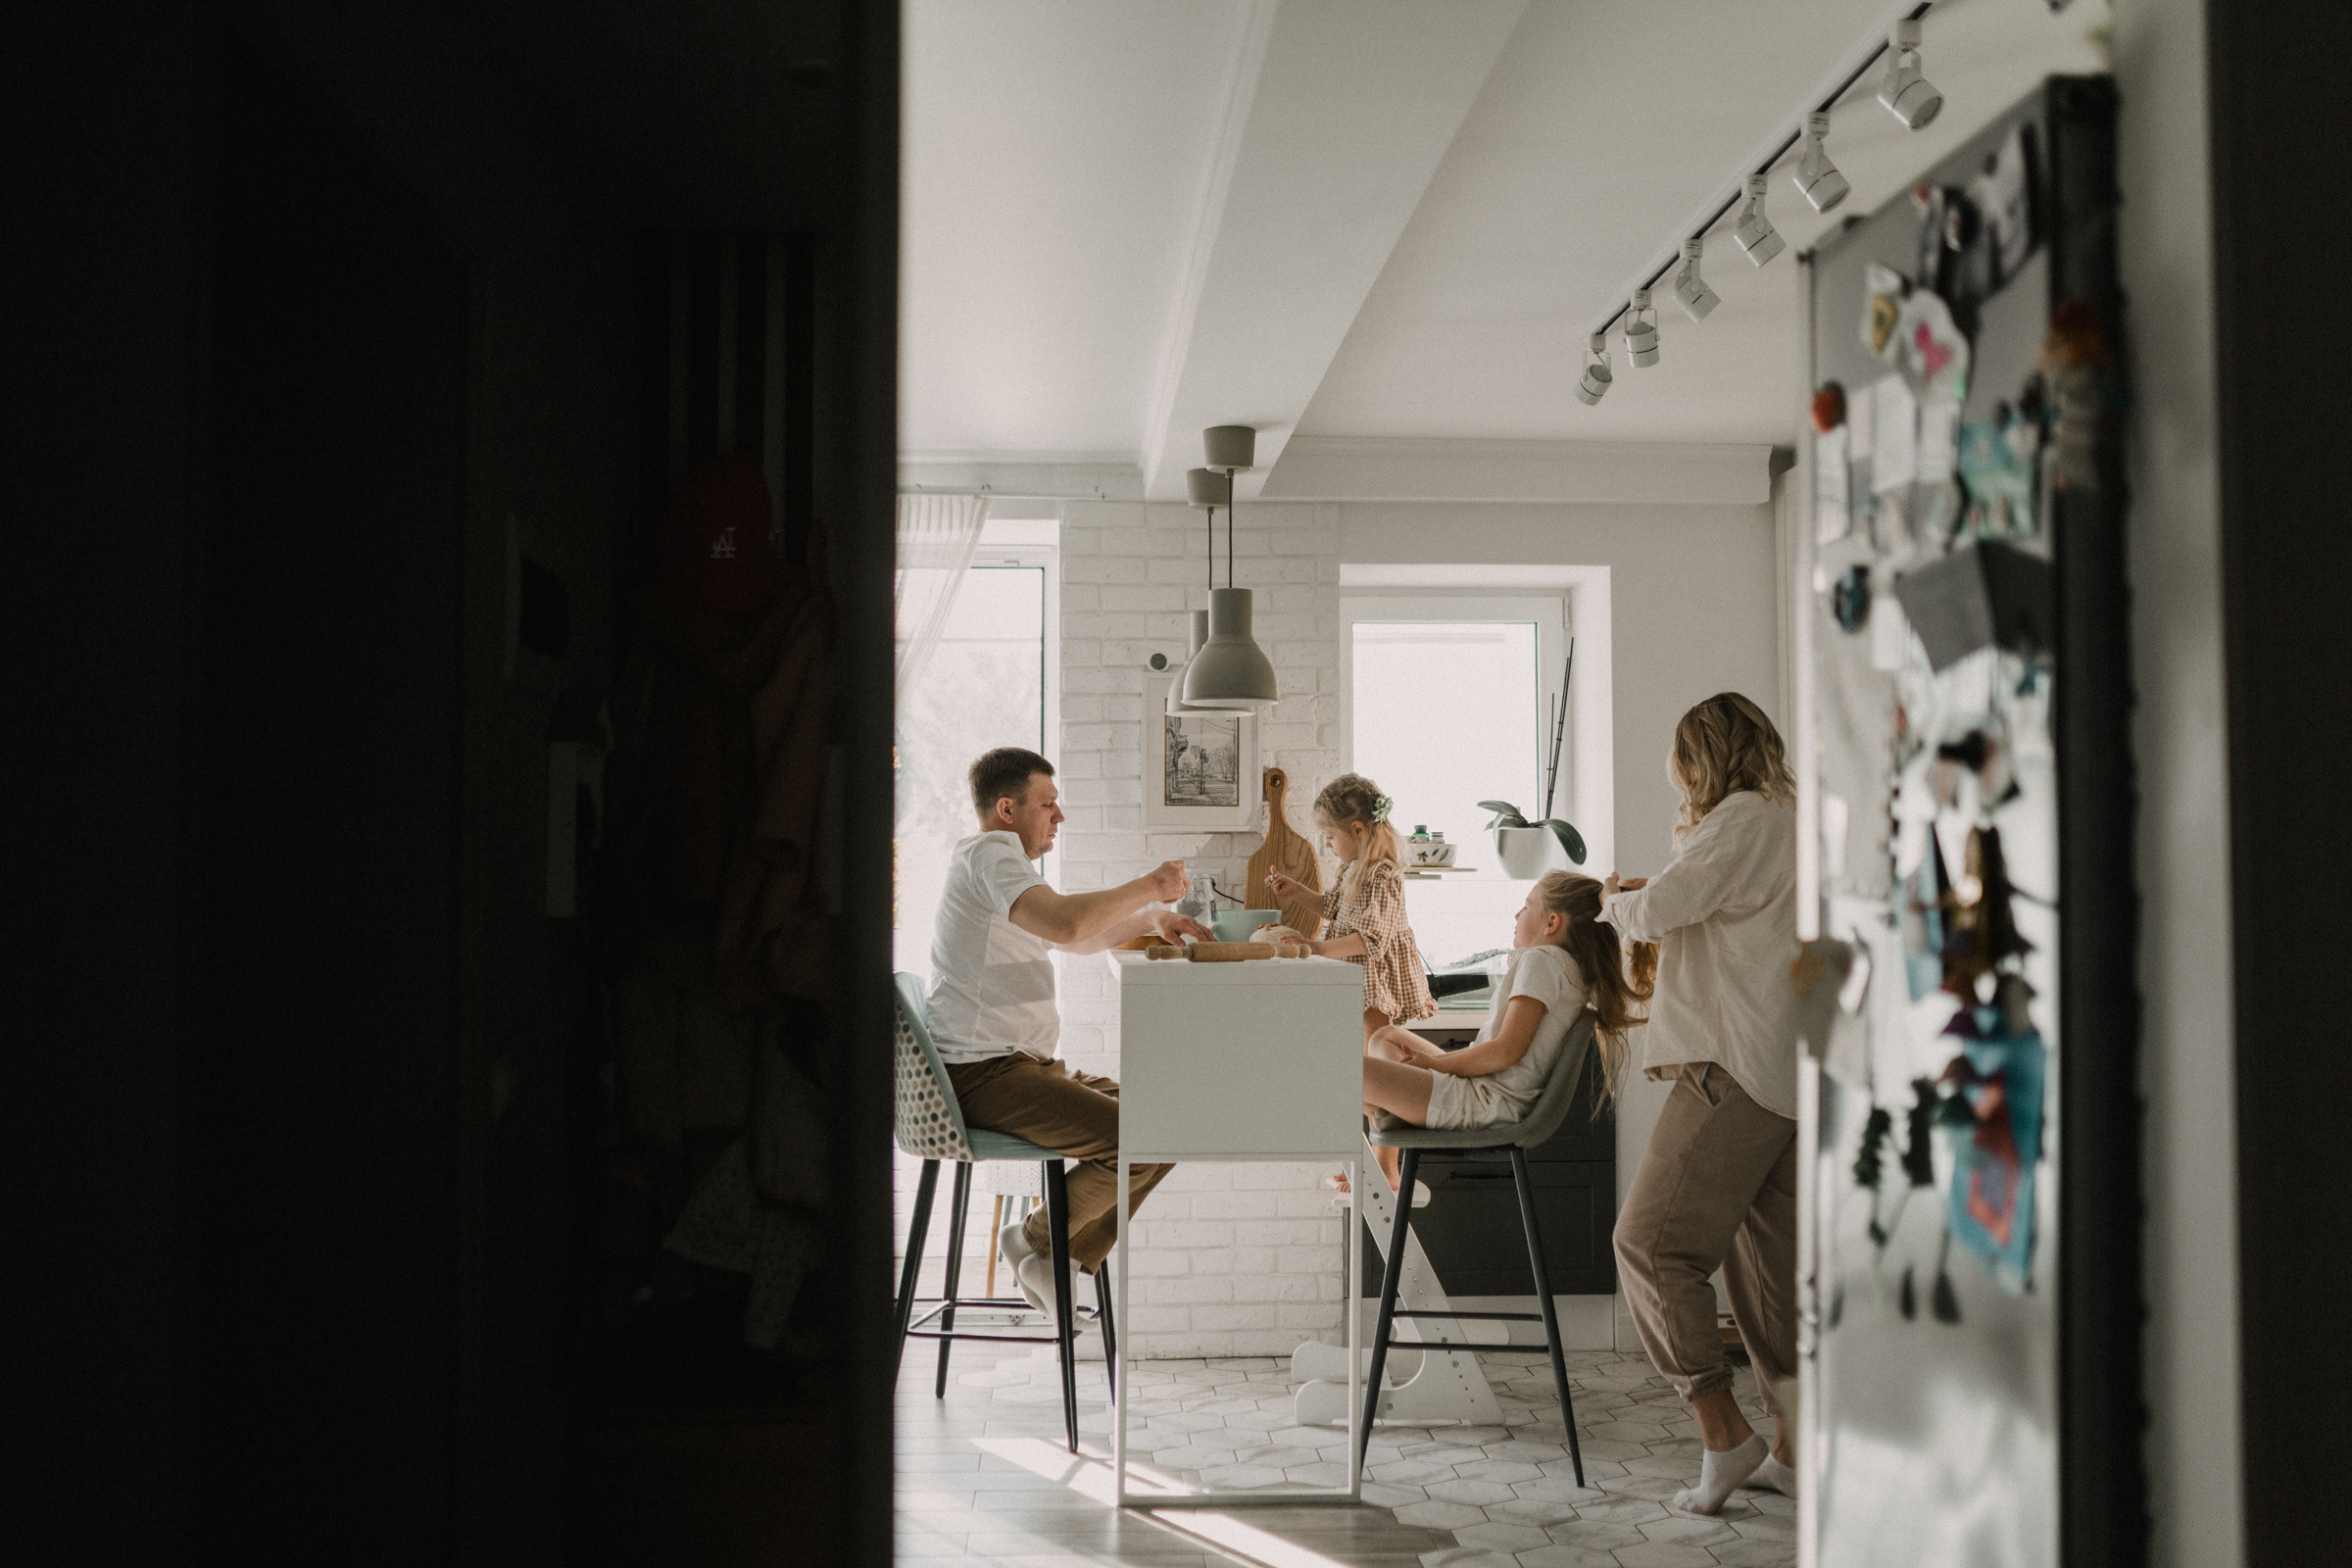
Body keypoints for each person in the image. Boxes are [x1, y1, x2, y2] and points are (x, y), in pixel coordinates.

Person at [1600, 692, 1801, 1515]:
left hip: (1732, 1066)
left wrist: (1616, 901)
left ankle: (1726, 1436)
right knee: (1769, 1275)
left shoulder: (1744, 818)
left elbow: (1661, 911)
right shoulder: (1783, 819)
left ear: (1701, 758)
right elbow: (1712, 900)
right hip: (1783, 1071)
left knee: (1649, 1245)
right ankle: (1794, 1449)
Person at [925, 747, 1210, 1316]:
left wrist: (1152, 921)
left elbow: (1070, 939)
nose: (1060, 817)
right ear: (1007, 809)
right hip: (983, 1073)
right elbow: (1067, 922)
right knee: (1137, 1137)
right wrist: (1152, 885)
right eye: (1048, 804)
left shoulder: (1002, 868)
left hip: (1014, 1066)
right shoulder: (992, 855)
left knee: (1170, 1125)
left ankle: (1060, 1258)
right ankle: (1038, 1244)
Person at [1359, 871, 1654, 1140]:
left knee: (1350, 1073)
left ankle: (1389, 1128)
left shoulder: (1542, 960)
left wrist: (1436, 1064)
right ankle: (1392, 1120)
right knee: (1385, 1037)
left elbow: (1505, 1051)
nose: (1517, 914)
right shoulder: (1571, 970)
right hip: (1490, 1097)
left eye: (1526, 906)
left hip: (1484, 1103)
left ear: (1552, 923)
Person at [1266, 772, 1436, 1191]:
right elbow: (1333, 908)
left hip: (1374, 983)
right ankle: (1368, 1158)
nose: (1326, 845)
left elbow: (1370, 940)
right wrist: (1296, 891)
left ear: (1357, 830)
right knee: (1363, 1077)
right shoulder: (1352, 868)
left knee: (1381, 1076)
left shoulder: (1380, 875)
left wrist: (1315, 948)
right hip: (1356, 985)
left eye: (1328, 837)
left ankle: (1386, 1165)